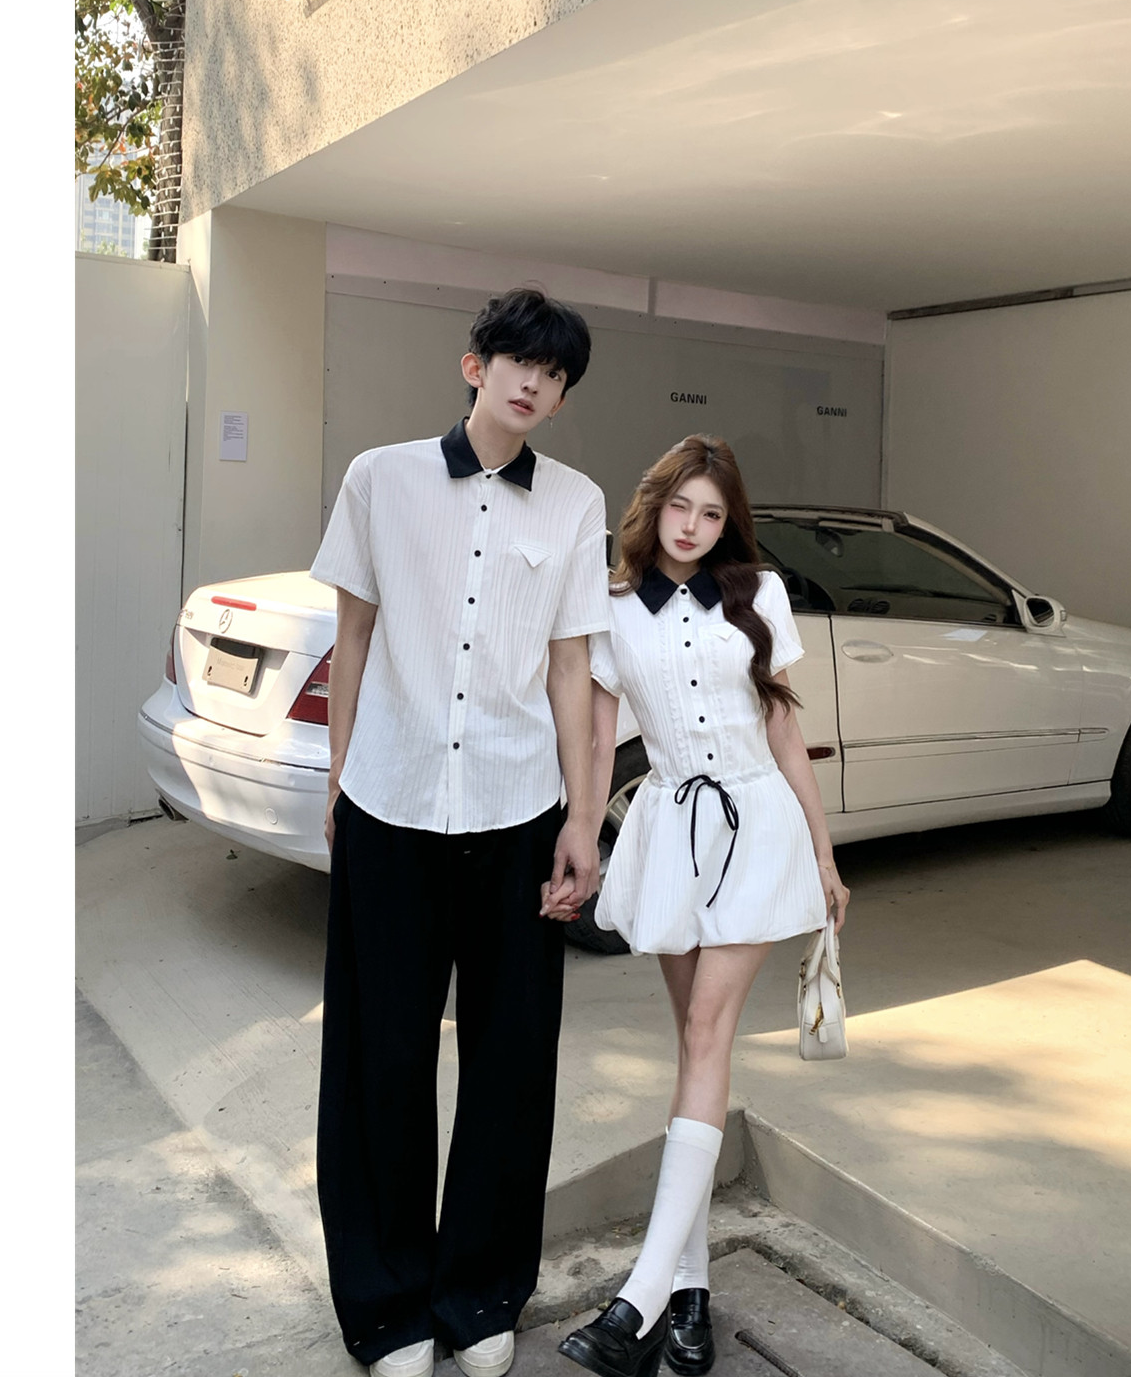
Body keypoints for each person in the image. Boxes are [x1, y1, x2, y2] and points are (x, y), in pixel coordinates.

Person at [310, 287, 610, 1377]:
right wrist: (340, 779)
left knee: (511, 1062)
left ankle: (481, 1296)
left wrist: (584, 818)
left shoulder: (576, 502)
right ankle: (388, 1306)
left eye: (556, 374)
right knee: (379, 1059)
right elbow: (353, 636)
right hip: (391, 805)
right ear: (475, 364)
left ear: (561, 396)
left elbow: (571, 667)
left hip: (517, 809)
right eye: (519, 361)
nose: (535, 383)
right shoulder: (379, 478)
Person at [556, 435, 851, 1377]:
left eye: (711, 513)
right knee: (693, 1051)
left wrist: (823, 852)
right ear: (655, 507)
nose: (692, 526)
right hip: (669, 829)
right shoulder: (612, 605)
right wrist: (580, 835)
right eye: (680, 507)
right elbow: (599, 739)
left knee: (709, 1031)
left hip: (756, 826)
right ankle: (689, 1292)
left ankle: (637, 1301)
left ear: (730, 523)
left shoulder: (759, 593)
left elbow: (785, 726)